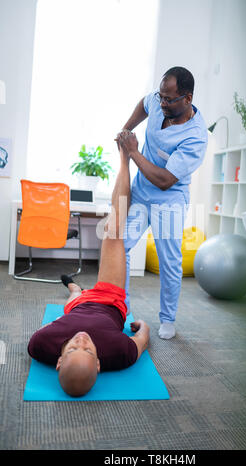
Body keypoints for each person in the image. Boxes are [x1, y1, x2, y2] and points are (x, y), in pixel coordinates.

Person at [27, 143, 150, 397]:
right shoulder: (121, 353)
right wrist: (142, 326)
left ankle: (74, 287)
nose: (81, 340)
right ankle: (124, 159)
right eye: (89, 350)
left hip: (77, 307)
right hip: (108, 301)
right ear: (98, 363)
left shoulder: (39, 346)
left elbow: (63, 325)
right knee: (113, 230)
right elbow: (143, 339)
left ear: (58, 361)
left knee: (73, 300)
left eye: (73, 349)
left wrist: (71, 314)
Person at [116, 66, 208, 340]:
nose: (162, 103)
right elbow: (144, 104)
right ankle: (123, 310)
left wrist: (133, 152)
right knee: (121, 245)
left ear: (187, 98)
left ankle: (167, 319)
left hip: (169, 197)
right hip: (142, 192)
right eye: (161, 96)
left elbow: (166, 179)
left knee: (169, 260)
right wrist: (127, 128)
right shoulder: (158, 101)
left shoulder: (195, 136)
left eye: (169, 99)